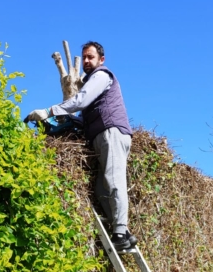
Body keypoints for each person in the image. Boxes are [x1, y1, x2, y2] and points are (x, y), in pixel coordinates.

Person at [24, 41, 137, 250]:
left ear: (101, 60)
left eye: (90, 57)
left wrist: (49, 111)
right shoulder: (91, 83)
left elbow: (80, 101)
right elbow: (83, 116)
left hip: (111, 132)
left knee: (113, 180)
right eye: (84, 57)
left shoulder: (102, 76)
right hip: (100, 135)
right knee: (102, 187)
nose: (86, 61)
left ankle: (120, 232)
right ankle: (124, 233)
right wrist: (63, 122)